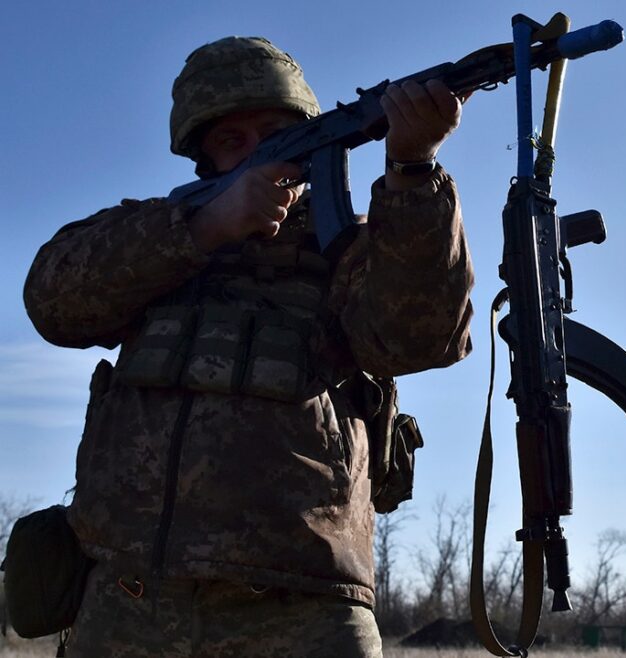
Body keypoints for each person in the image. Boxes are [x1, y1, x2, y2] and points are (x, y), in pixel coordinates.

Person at [23, 36, 473, 657]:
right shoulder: (156, 233)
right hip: (129, 599)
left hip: (308, 607)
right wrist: (206, 228)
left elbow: (416, 340)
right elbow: (53, 301)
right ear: (202, 157)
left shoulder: (353, 244)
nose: (255, 151)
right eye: (231, 140)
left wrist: (413, 169)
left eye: (272, 132)